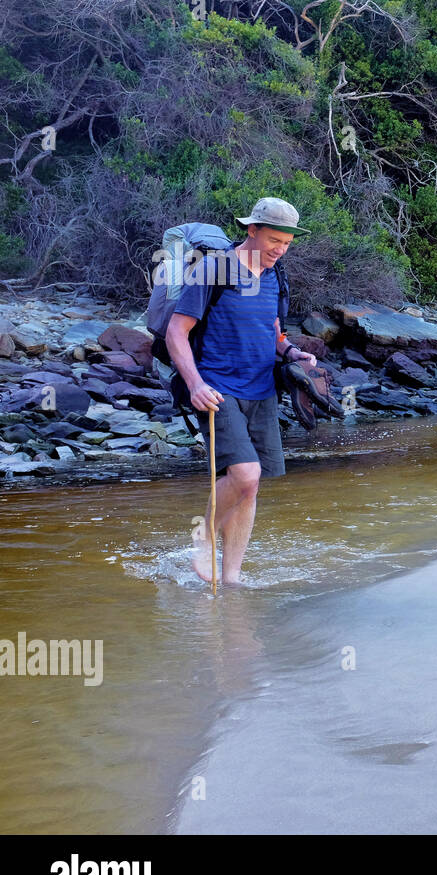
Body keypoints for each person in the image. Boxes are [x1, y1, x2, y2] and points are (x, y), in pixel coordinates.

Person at [165, 197, 317, 586]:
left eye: (287, 243)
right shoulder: (214, 270)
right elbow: (176, 333)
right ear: (252, 229)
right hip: (217, 389)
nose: (280, 250)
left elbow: (273, 328)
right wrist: (195, 384)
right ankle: (202, 540)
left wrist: (291, 351)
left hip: (262, 390)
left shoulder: (276, 275)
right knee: (246, 476)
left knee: (249, 489)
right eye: (274, 241)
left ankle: (230, 578)